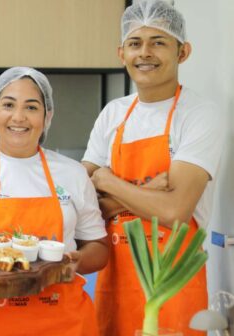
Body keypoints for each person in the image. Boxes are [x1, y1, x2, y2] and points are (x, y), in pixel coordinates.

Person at [81, 1, 224, 335]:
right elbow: (81, 202)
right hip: (114, 280)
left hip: (175, 284)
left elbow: (175, 211)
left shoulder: (199, 115)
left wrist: (107, 181)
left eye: (158, 42)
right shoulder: (113, 114)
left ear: (183, 52)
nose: (144, 53)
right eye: (135, 43)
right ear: (121, 54)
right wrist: (148, 192)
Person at [0, 67, 109, 336]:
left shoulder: (72, 173)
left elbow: (99, 247)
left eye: (31, 107)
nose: (18, 117)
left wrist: (76, 262)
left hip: (65, 320)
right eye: (8, 105)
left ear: (47, 116)